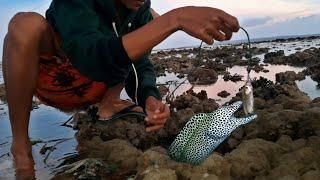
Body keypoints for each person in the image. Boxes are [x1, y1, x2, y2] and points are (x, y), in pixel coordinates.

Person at [2, 0, 239, 175]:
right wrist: (174, 19)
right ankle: (20, 145)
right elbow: (92, 57)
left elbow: (140, 65)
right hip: (53, 78)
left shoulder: (141, 11)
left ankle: (109, 104)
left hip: (96, 87)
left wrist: (149, 97)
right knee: (25, 24)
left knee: (151, 22)